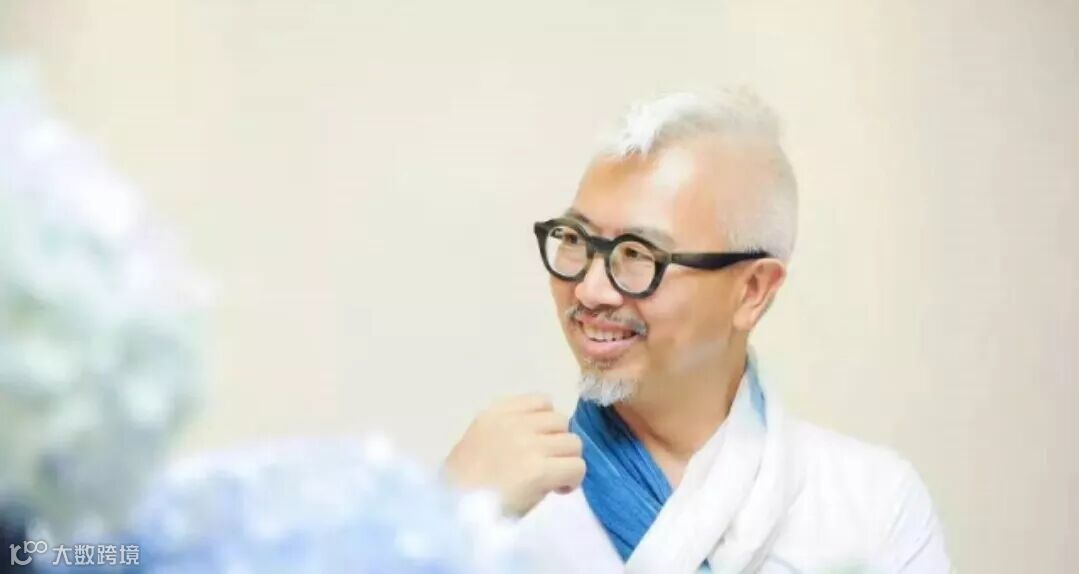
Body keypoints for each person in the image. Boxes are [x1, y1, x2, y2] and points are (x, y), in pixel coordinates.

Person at [443, 89, 952, 573]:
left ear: (752, 290)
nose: (591, 290)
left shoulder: (871, 505)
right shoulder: (495, 499)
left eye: (638, 254)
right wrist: (445, 522)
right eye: (575, 239)